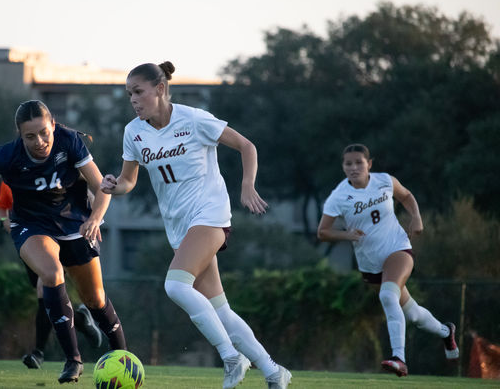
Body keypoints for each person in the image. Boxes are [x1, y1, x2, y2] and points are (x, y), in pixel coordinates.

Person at [100, 62, 291, 389]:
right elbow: (129, 180)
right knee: (222, 311)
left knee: (174, 286)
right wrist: (114, 185)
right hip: (179, 227)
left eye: (138, 92)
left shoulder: (194, 119)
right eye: (129, 93)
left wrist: (247, 184)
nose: (132, 99)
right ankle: (274, 372)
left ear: (159, 89)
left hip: (210, 215)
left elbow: (247, 146)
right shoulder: (134, 131)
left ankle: (230, 357)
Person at [0, 100, 126, 384]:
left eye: (44, 133)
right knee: (51, 273)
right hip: (32, 225)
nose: (39, 141)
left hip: (76, 223)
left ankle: (123, 357)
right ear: (19, 136)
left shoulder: (70, 142)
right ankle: (73, 360)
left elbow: (103, 187)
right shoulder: (7, 156)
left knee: (95, 299)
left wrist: (96, 218)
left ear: (53, 126)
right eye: (30, 136)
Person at [317, 143, 459, 377]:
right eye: (348, 164)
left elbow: (406, 195)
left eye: (359, 163)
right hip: (370, 265)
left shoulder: (385, 180)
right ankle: (446, 332)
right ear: (343, 167)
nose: (353, 168)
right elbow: (323, 232)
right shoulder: (339, 196)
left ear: (369, 164)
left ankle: (399, 359)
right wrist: (346, 235)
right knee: (413, 315)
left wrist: (416, 217)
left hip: (398, 250)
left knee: (387, 295)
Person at [0, 180, 104, 370]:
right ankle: (80, 319)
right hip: (31, 242)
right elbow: (0, 208)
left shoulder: (57, 171)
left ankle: (39, 352)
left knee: (45, 289)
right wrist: (5, 222)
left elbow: (90, 191)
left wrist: (94, 219)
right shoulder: (10, 178)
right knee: (50, 299)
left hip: (61, 238)